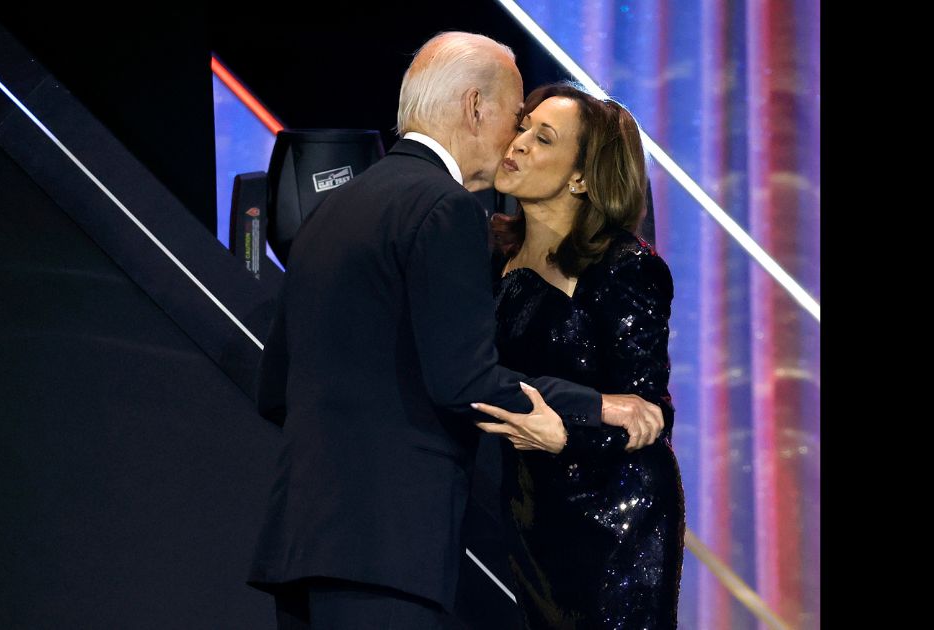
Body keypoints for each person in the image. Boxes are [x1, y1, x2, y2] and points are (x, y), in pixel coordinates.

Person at [247, 33, 666, 629]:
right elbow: (462, 380)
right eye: (518, 117)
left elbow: (274, 389)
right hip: (389, 548)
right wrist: (597, 406)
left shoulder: (330, 212)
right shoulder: (443, 209)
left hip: (302, 547)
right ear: (476, 108)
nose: (516, 138)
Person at [472, 84, 686, 628]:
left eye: (542, 138)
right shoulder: (486, 250)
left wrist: (567, 434)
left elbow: (651, 413)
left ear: (582, 177)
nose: (516, 144)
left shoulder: (624, 266)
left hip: (615, 522)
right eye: (522, 127)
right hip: (528, 509)